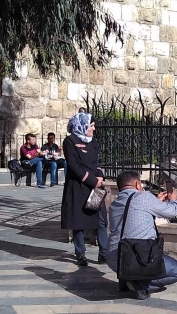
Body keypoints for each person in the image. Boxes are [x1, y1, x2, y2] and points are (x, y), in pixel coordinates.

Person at [107, 171, 177, 300]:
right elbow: (173, 211)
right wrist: (173, 200)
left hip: (115, 259)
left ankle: (127, 279)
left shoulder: (114, 204)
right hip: (137, 257)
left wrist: (155, 201)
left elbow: (136, 215)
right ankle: (140, 285)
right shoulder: (144, 197)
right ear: (137, 184)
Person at [61, 112, 107, 266]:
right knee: (78, 222)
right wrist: (92, 180)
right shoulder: (70, 141)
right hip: (78, 187)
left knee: (100, 220)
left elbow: (97, 162)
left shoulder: (93, 141)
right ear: (83, 126)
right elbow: (74, 166)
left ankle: (104, 253)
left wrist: (100, 176)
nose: (93, 129)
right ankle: (80, 254)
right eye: (91, 126)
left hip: (95, 187)